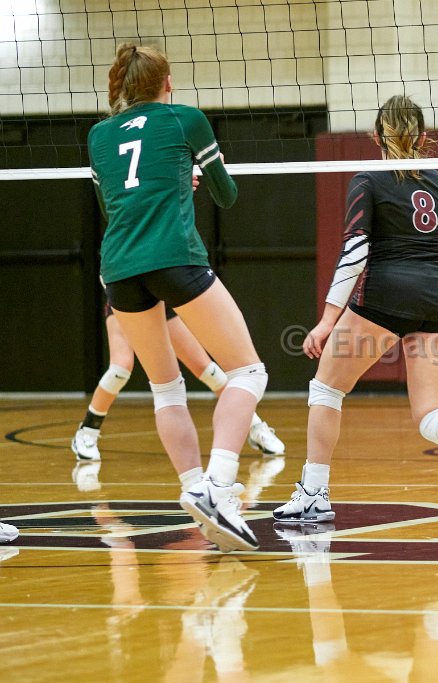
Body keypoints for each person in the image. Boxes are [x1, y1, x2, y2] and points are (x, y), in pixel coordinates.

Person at [272, 94, 438, 523]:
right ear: (424, 137)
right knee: (431, 415)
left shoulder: (368, 180)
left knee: (326, 389)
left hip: (387, 294)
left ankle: (314, 494)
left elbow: (356, 252)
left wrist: (327, 320)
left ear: (376, 136)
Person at [88, 42, 263, 551]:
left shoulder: (99, 135)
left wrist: (168, 184)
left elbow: (111, 206)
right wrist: (195, 175)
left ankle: (194, 491)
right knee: (249, 373)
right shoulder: (186, 119)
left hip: (119, 268)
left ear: (121, 84)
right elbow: (227, 196)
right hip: (175, 257)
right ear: (167, 84)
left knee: (166, 389)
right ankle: (219, 484)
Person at [71, 303, 286, 462]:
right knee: (120, 369)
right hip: (125, 295)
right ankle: (88, 431)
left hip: (160, 295)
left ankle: (255, 427)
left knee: (207, 369)